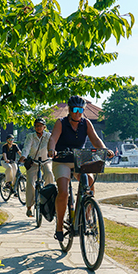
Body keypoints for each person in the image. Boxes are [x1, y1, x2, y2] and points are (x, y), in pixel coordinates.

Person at [47, 96, 114, 241]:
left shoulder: (86, 123)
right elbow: (53, 138)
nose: (78, 113)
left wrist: (104, 149)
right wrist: (52, 150)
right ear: (70, 110)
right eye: (75, 110)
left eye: (80, 110)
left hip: (79, 159)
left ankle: (86, 216)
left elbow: (95, 139)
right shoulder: (61, 123)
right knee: (64, 192)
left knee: (90, 181)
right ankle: (59, 226)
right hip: (62, 160)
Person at [19, 118, 54, 217]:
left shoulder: (48, 136)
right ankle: (29, 207)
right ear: (34, 127)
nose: (39, 127)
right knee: (30, 183)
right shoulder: (30, 136)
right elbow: (26, 147)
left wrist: (53, 152)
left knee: (49, 174)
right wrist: (23, 156)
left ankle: (49, 196)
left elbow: (52, 145)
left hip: (45, 161)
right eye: (37, 125)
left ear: (44, 127)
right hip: (33, 162)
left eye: (40, 125)